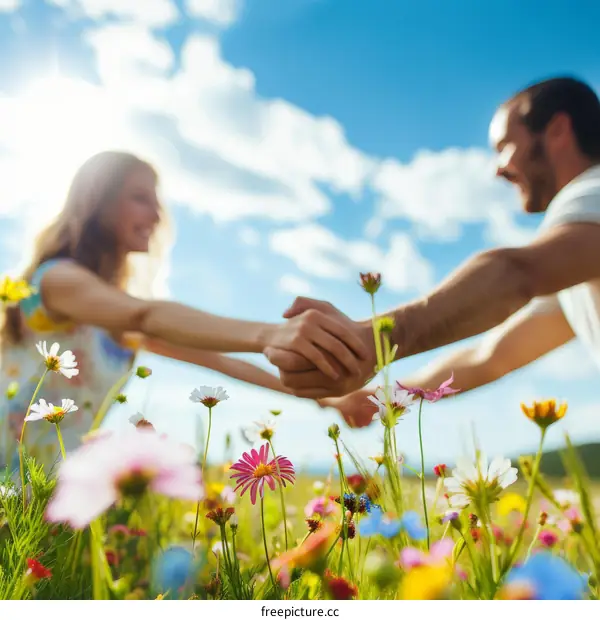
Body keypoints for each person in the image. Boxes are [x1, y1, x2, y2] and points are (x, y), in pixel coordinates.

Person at [0, 151, 369, 472]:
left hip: (47, 494)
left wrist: (327, 399)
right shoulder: (57, 281)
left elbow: (224, 362)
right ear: (98, 202)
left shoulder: (117, 320)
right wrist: (270, 333)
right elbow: (143, 314)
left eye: (156, 200)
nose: (157, 214)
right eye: (140, 197)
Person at [265, 76, 600, 426]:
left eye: (504, 146)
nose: (498, 168)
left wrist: (375, 341)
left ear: (558, 130)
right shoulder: (578, 261)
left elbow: (515, 274)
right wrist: (386, 397)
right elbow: (491, 358)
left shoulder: (592, 191)